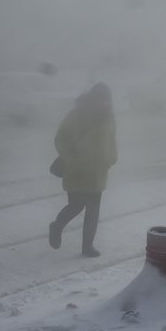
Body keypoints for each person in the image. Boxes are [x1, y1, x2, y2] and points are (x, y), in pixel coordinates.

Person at [49, 83, 118, 257]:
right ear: (93, 98)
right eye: (101, 100)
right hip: (77, 171)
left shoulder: (109, 116)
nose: (104, 104)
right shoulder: (77, 115)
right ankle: (56, 226)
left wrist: (111, 157)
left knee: (93, 211)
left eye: (107, 100)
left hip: (98, 171)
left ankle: (87, 247)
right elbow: (60, 138)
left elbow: (112, 139)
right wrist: (71, 159)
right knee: (76, 206)